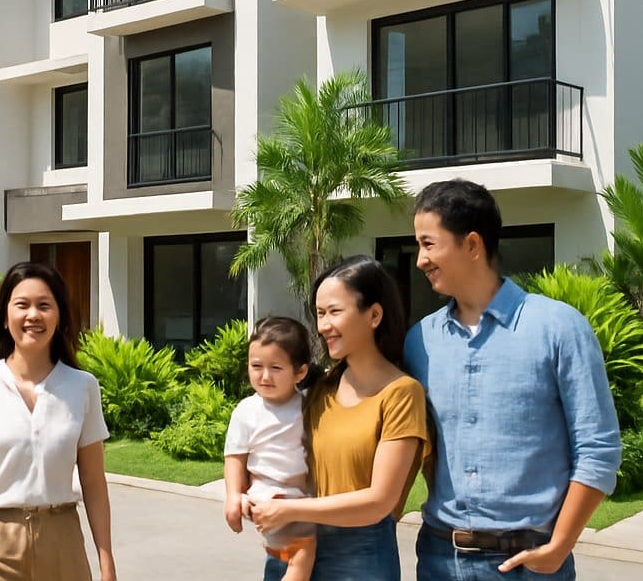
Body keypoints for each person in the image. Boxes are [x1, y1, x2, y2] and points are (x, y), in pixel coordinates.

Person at [404, 179, 622, 580]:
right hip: (438, 559)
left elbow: (599, 450)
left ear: (472, 245)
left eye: (428, 243)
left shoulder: (558, 328)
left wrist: (559, 547)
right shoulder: (421, 341)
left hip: (529, 564)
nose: (420, 259)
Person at [249, 256, 430, 581]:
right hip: (292, 547)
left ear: (374, 314)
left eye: (334, 312)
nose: (322, 326)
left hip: (360, 555)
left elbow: (380, 501)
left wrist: (289, 509)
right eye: (319, 314)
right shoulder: (318, 388)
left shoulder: (401, 393)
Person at [0, 262, 115, 581]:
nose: (33, 315)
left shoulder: (83, 387)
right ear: (5, 319)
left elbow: (93, 481)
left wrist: (107, 563)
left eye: (44, 305)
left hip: (62, 542)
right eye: (22, 305)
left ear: (59, 316)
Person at [223, 316, 317, 581]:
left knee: (299, 543)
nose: (264, 376)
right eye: (256, 366)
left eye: (276, 367)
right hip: (266, 496)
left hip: (300, 498)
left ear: (300, 372)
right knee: (300, 548)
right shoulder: (247, 411)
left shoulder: (307, 406)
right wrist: (232, 496)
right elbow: (234, 458)